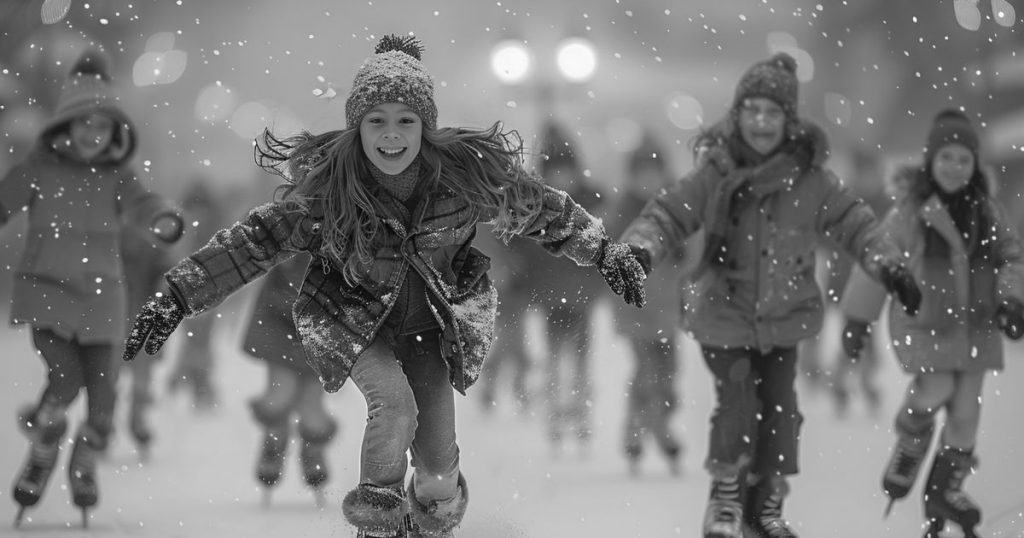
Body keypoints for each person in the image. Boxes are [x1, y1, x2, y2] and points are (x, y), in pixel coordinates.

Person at [122, 35, 646, 538]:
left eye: (405, 121)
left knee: (440, 470)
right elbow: (254, 242)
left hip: (431, 331)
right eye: (376, 122)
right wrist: (177, 295)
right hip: (354, 324)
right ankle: (377, 520)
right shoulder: (332, 192)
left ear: (425, 127)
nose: (391, 135)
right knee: (394, 406)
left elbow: (536, 207)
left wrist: (602, 250)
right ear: (357, 128)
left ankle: (428, 516)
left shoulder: (460, 181)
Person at [618, 53, 921, 538]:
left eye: (772, 112)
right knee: (737, 402)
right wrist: (639, 248)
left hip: (783, 317)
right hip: (725, 313)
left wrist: (888, 263)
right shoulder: (715, 173)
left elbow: (856, 224)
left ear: (789, 120)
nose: (761, 121)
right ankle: (726, 497)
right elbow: (669, 214)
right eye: (752, 110)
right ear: (737, 116)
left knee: (781, 409)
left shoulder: (812, 181)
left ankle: (767, 502)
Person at [0, 48, 182, 527]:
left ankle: (84, 456)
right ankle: (44, 446)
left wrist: (162, 220)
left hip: (103, 297)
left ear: (113, 134)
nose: (92, 135)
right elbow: (5, 200)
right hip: (48, 289)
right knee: (65, 376)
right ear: (65, 126)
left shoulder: (116, 177)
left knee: (105, 395)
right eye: (84, 124)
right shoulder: (38, 169)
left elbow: (143, 203)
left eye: (102, 127)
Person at [841, 109, 1024, 538]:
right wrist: (857, 318)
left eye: (964, 159)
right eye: (946, 158)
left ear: (975, 165)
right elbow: (879, 259)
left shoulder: (987, 212)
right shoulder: (911, 211)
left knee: (966, 413)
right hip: (925, 321)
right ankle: (911, 437)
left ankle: (946, 488)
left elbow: (1012, 258)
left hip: (977, 326)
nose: (955, 168)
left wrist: (1012, 300)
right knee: (937, 389)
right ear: (930, 162)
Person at [611, 133, 691, 475]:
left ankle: (644, 423)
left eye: (652, 172)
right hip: (636, 310)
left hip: (668, 308)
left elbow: (693, 255)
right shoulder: (622, 212)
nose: (647, 180)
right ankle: (654, 431)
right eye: (640, 173)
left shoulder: (676, 211)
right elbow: (607, 251)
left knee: (669, 374)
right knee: (648, 372)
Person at [242, 253, 338, 507]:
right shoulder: (290, 228)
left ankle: (312, 448)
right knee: (280, 395)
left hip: (320, 326)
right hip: (281, 325)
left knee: (310, 407)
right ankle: (274, 442)